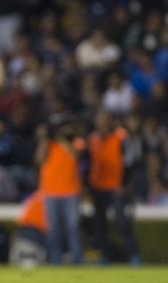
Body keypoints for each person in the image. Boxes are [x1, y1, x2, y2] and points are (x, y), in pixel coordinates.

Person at [87, 109, 141, 265]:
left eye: (105, 118)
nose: (102, 122)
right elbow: (87, 163)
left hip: (116, 187)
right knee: (99, 224)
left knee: (121, 221)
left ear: (110, 121)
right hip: (97, 187)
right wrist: (86, 185)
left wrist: (125, 184)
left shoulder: (120, 137)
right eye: (99, 118)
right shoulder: (92, 139)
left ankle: (134, 255)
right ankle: (104, 256)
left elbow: (130, 161)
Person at [34, 114, 84, 265]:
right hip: (51, 192)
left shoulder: (78, 142)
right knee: (53, 230)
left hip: (71, 192)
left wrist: (61, 139)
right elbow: (38, 160)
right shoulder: (48, 144)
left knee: (73, 228)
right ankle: (55, 261)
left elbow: (76, 156)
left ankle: (77, 260)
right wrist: (43, 140)